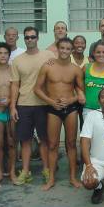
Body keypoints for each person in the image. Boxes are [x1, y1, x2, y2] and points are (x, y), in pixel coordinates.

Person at [34, 37, 85, 190]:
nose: (64, 51)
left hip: (70, 110)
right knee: (53, 144)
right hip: (53, 109)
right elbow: (37, 89)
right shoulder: (47, 66)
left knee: (71, 143)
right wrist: (50, 101)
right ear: (57, 48)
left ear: (72, 50)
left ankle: (72, 177)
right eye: (61, 48)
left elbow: (82, 91)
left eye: (67, 49)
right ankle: (51, 179)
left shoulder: (75, 69)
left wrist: (72, 100)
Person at [10, 26, 56, 185]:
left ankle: (46, 170)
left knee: (45, 139)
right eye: (27, 37)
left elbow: (56, 74)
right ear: (24, 39)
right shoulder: (17, 61)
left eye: (32, 37)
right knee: (25, 140)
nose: (30, 39)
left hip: (44, 104)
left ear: (37, 38)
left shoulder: (49, 55)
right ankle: (25, 172)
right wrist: (12, 107)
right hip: (24, 104)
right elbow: (15, 85)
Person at [0, 42, 17, 184]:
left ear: (9, 55)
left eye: (5, 53)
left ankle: (12, 172)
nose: (3, 55)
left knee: (12, 142)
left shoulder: (13, 70)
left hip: (11, 111)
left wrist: (11, 100)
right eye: (0, 53)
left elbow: (18, 89)